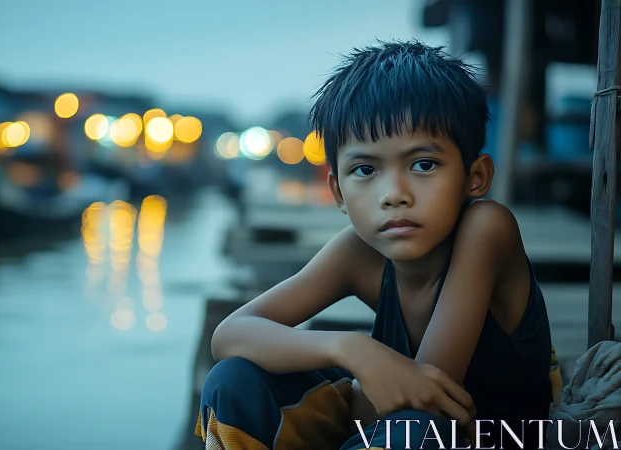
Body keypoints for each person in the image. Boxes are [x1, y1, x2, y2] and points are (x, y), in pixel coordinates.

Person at [193, 40, 562, 450]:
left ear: (475, 176)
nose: (394, 194)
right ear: (338, 192)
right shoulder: (357, 252)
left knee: (414, 429)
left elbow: (427, 391)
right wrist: (352, 348)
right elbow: (230, 335)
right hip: (386, 430)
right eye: (366, 169)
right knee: (232, 381)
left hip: (476, 439)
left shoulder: (487, 228)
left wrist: (359, 389)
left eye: (424, 164)